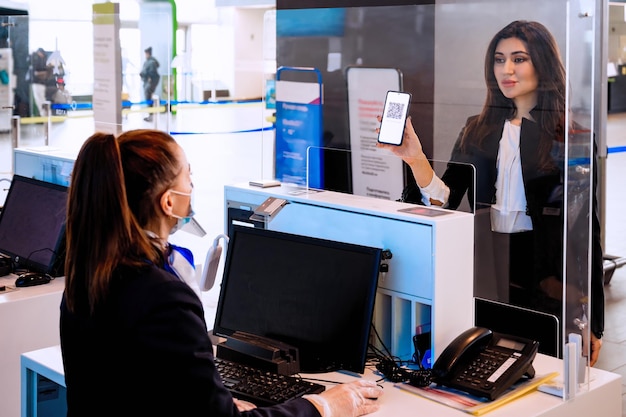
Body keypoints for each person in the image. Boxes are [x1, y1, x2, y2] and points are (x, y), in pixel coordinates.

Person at [60, 129, 383, 416]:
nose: (193, 185)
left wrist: (217, 404)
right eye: (188, 176)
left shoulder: (91, 275)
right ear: (168, 202)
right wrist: (323, 406)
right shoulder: (162, 297)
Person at [377, 20, 604, 366]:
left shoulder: (570, 138)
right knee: (489, 369)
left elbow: (585, 233)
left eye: (519, 59)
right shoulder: (477, 129)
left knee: (547, 372)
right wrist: (416, 159)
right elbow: (446, 201)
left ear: (542, 64)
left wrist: (594, 319)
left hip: (545, 276)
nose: (507, 69)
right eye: (499, 60)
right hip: (487, 266)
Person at [30, 47, 53, 117]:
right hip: (41, 84)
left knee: (40, 100)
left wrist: (39, 73)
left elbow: (36, 73)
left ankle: (45, 115)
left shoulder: (40, 61)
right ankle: (46, 114)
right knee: (41, 100)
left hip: (38, 84)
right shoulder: (44, 61)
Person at [140, 46, 160, 121]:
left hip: (150, 83)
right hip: (147, 82)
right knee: (149, 97)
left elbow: (151, 73)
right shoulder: (148, 61)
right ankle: (150, 115)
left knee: (148, 97)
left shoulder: (151, 62)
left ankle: (151, 115)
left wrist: (145, 75)